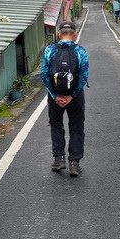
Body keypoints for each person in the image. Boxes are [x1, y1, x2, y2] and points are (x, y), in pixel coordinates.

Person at [40, 20, 89, 176]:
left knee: (56, 125)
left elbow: (44, 74)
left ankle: (58, 159)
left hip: (55, 97)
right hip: (75, 97)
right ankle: (74, 163)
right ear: (74, 35)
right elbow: (83, 76)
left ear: (59, 34)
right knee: (76, 127)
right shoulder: (81, 51)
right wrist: (71, 96)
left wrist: (56, 96)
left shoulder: (49, 50)